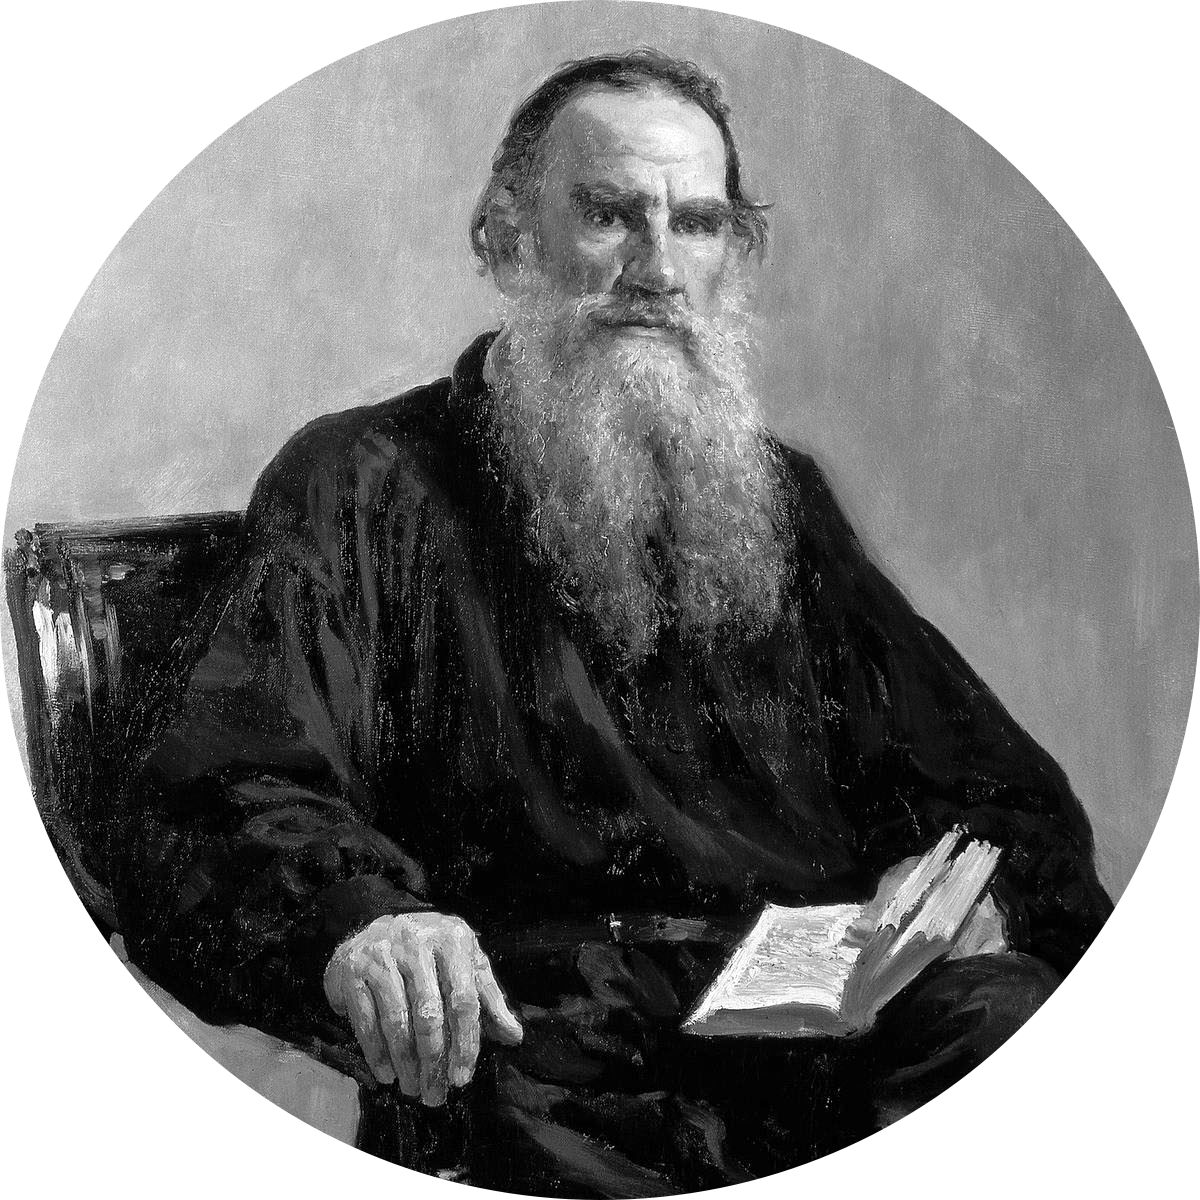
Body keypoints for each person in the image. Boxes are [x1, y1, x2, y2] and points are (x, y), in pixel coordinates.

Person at [113, 50, 1111, 1195]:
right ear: (506, 242)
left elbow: (991, 788)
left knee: (1007, 1031)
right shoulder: (364, 481)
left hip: (816, 1041)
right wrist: (365, 921)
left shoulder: (779, 500)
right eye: (608, 215)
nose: (658, 269)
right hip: (547, 1050)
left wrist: (977, 895)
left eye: (697, 224)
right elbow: (221, 785)